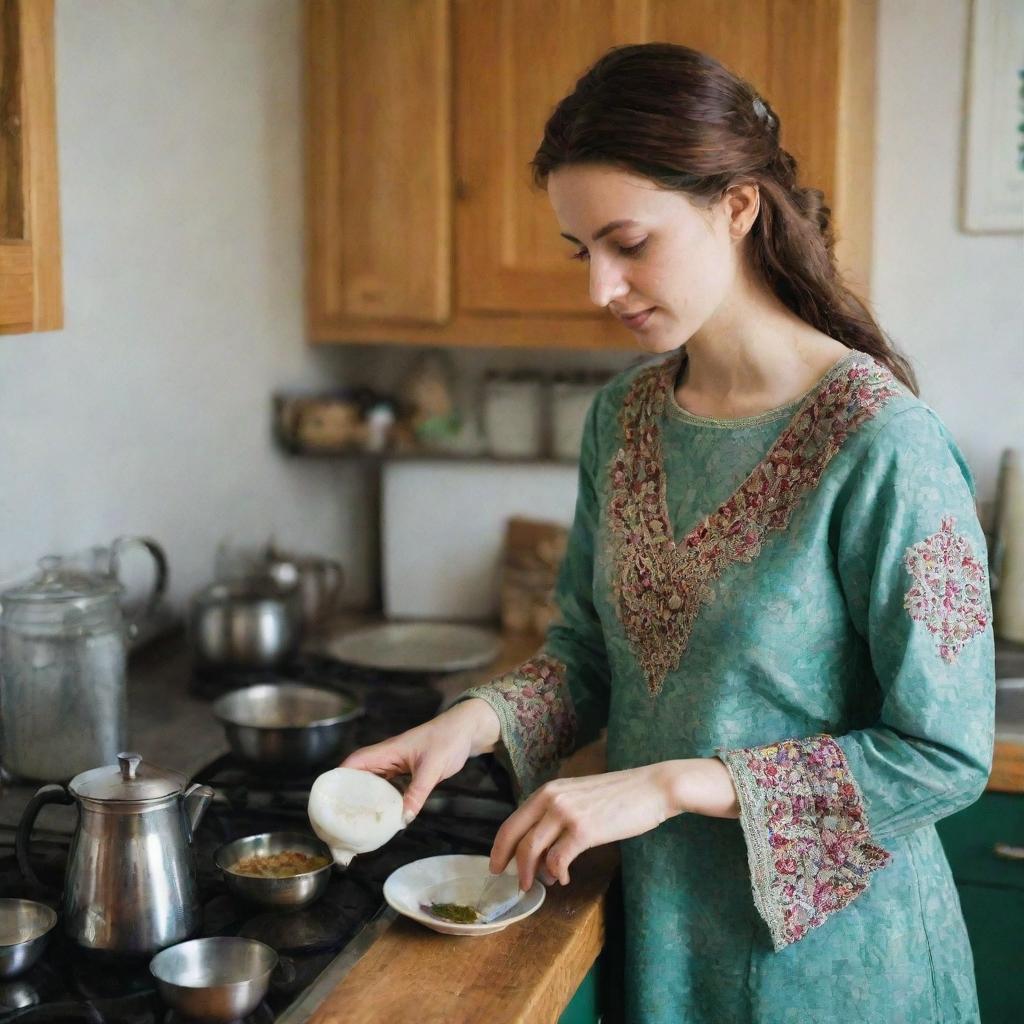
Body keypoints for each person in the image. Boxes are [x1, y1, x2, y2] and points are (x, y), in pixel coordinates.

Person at [342, 43, 994, 1023]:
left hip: (834, 967)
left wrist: (669, 785)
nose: (599, 286)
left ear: (735, 207)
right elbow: (587, 653)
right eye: (582, 251)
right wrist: (465, 724)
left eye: (628, 242)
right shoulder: (626, 418)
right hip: (658, 939)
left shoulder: (878, 442)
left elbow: (942, 755)